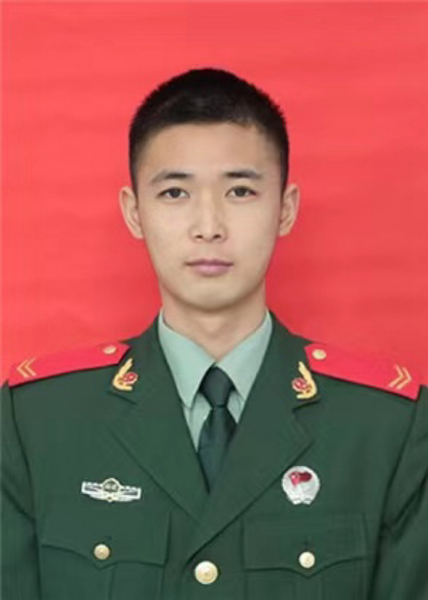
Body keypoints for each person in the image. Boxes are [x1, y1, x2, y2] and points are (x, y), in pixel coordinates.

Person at [2, 67, 427, 600]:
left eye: (240, 191)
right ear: (134, 213)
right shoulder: (37, 422)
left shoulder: (386, 428)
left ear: (285, 209)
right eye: (175, 192)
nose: (209, 226)